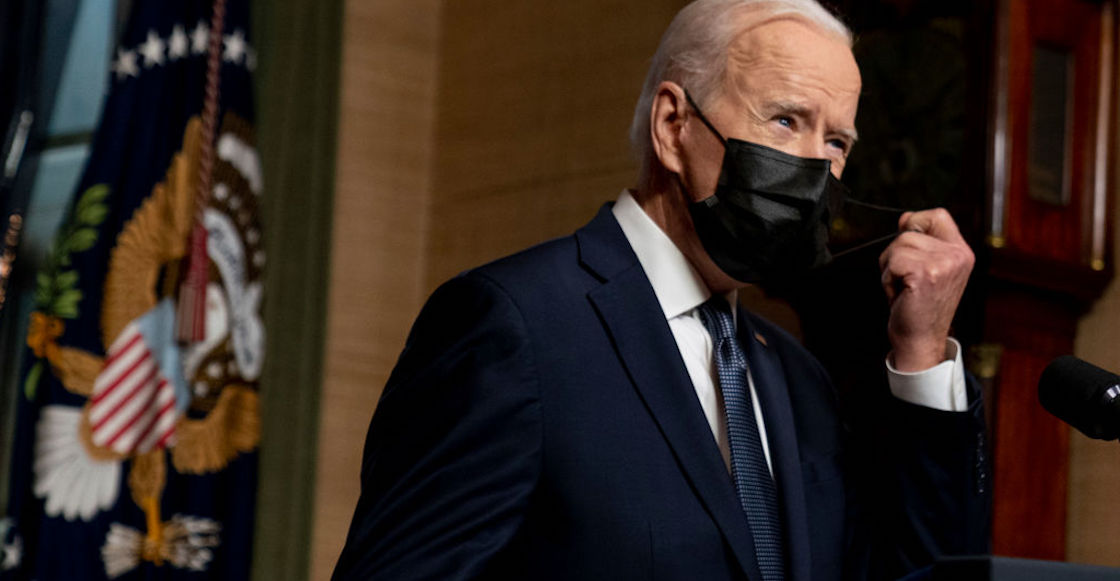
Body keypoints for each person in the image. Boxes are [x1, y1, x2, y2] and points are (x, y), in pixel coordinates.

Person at [332, 0, 991, 579]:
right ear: (674, 124)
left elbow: (922, 577)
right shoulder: (515, 327)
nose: (817, 165)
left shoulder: (800, 381)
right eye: (786, 120)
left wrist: (923, 353)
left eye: (838, 140)